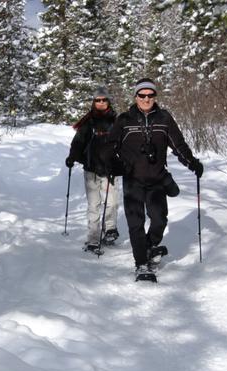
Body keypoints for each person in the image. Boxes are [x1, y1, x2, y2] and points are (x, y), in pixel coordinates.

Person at [107, 78, 204, 279]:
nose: (146, 99)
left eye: (150, 95)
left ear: (155, 97)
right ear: (136, 97)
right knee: (136, 223)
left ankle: (149, 247)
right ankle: (141, 263)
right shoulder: (124, 120)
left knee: (159, 219)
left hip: (157, 179)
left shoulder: (164, 118)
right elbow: (110, 147)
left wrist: (192, 163)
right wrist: (111, 166)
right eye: (142, 95)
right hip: (132, 179)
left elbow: (179, 145)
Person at [65, 87, 120, 253]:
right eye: (98, 100)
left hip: (111, 169)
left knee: (112, 202)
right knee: (93, 205)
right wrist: (72, 157)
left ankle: (110, 230)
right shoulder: (88, 122)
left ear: (109, 101)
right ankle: (93, 237)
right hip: (91, 168)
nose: (101, 103)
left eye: (104, 100)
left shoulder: (117, 120)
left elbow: (124, 143)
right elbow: (78, 142)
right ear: (93, 102)